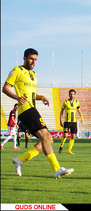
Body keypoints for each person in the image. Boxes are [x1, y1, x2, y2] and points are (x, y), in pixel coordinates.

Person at [2, 48, 74, 179]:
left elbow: (31, 95)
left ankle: (20, 159)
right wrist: (17, 98)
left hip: (32, 108)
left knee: (48, 140)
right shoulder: (17, 70)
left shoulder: (34, 74)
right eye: (31, 59)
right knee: (46, 137)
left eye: (35, 59)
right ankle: (56, 169)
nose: (33, 62)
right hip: (25, 109)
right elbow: (5, 88)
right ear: (24, 58)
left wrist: (41, 97)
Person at [59, 89, 83, 155]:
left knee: (73, 136)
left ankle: (69, 150)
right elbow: (61, 112)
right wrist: (61, 120)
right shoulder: (65, 102)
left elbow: (79, 110)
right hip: (67, 121)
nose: (72, 95)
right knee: (65, 135)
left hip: (74, 122)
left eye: (73, 94)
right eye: (71, 94)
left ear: (75, 95)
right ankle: (61, 146)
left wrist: (82, 118)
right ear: (68, 94)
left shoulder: (77, 102)